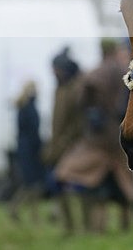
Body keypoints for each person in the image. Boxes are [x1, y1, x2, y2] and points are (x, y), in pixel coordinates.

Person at [55, 38, 133, 233]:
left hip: (99, 140)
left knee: (71, 177)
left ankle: (95, 230)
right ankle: (128, 227)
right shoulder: (126, 71)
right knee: (126, 187)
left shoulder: (96, 73)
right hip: (123, 136)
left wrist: (94, 111)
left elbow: (82, 98)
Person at [42, 46, 84, 234]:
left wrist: (65, 142)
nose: (53, 73)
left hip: (73, 147)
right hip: (59, 147)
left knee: (77, 188)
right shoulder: (59, 89)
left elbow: (77, 123)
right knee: (60, 188)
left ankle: (81, 228)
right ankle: (69, 228)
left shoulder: (75, 89)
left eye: (56, 69)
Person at [8, 80, 47, 223]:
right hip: (30, 150)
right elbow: (33, 131)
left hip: (24, 149)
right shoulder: (30, 107)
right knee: (33, 184)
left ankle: (22, 211)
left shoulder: (22, 106)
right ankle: (21, 210)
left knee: (30, 183)